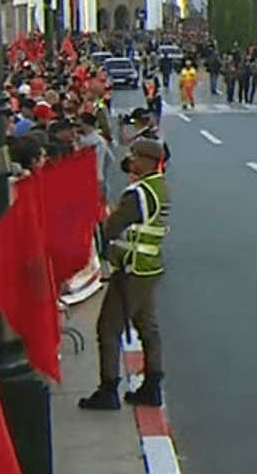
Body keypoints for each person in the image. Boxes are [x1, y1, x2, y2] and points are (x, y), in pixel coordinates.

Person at [81, 139, 168, 410]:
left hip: (131, 268)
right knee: (147, 326)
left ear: (146, 160)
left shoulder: (138, 194)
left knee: (108, 327)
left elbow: (111, 228)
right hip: (149, 266)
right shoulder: (159, 187)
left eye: (135, 156)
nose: (130, 160)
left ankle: (108, 389)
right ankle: (152, 385)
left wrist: (100, 221)